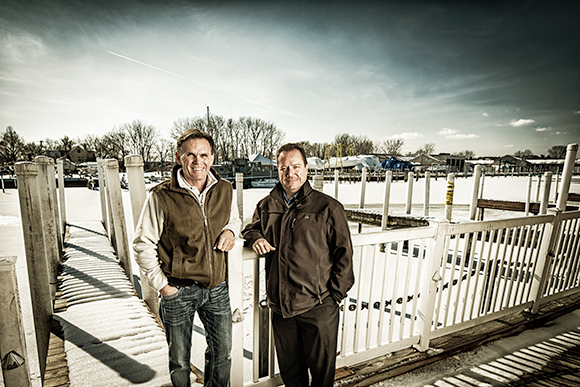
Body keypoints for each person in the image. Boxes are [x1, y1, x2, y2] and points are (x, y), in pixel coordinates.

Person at [133, 129, 241, 387]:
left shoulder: (225, 190)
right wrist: (162, 286)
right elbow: (142, 244)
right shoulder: (161, 196)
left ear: (212, 157)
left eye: (204, 154)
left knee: (222, 354)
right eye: (190, 155)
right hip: (178, 291)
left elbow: (234, 219)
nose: (198, 161)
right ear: (178, 157)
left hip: (217, 289)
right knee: (179, 362)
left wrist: (231, 230)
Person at [242, 143, 354, 387]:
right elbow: (250, 229)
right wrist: (256, 238)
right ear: (277, 170)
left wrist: (334, 295)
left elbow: (344, 255)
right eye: (283, 168)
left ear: (305, 168)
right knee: (292, 375)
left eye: (295, 166)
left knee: (322, 374)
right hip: (282, 307)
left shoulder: (327, 207)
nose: (289, 173)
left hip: (319, 304)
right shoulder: (266, 205)